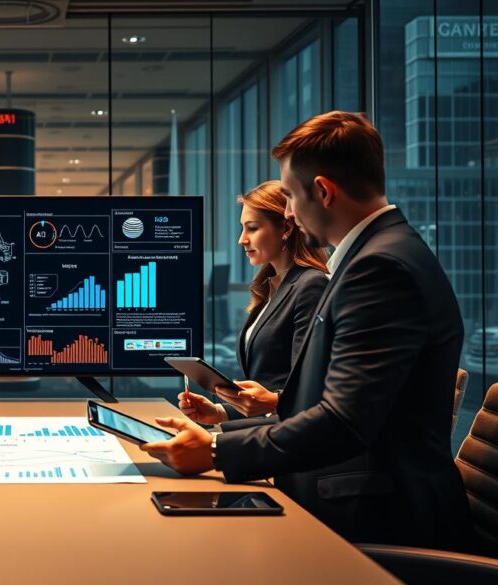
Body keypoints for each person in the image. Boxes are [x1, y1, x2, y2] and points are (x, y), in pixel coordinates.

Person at [140, 111, 471, 551]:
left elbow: (343, 421)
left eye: (292, 196)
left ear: (323, 191)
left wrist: (218, 451)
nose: (290, 212)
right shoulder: (377, 256)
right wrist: (225, 428)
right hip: (352, 495)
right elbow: (326, 403)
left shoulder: (380, 268)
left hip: (376, 520)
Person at [180, 181, 328, 425]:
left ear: (286, 228)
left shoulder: (311, 285)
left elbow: (306, 390)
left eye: (252, 228)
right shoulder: (270, 288)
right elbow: (268, 391)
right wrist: (220, 412)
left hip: (290, 438)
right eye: (242, 229)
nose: (242, 240)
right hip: (267, 431)